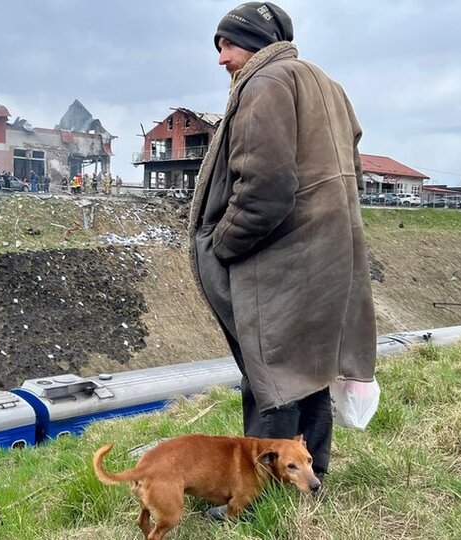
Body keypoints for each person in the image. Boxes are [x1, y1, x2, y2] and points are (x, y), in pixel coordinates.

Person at [189, 2, 376, 489]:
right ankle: (310, 480)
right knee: (309, 373)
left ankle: (261, 494)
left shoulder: (265, 83)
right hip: (328, 254)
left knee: (269, 378)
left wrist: (223, 243)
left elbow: (265, 188)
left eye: (228, 45)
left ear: (254, 43)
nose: (221, 58)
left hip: (281, 263)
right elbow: (354, 169)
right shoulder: (326, 84)